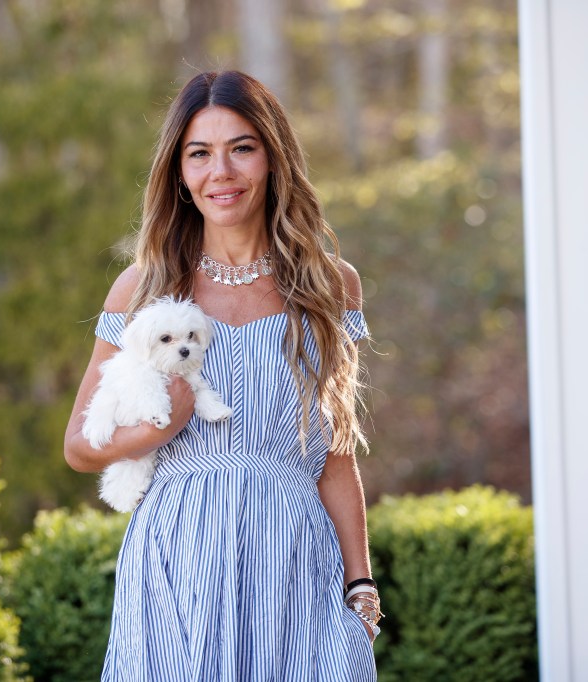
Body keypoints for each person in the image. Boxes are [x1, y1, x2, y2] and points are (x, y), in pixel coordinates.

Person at [64, 70, 380, 681]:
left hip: (292, 560)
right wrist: (160, 429)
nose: (221, 172)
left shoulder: (330, 286)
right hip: (176, 558)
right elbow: (79, 446)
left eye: (242, 148)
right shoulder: (144, 290)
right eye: (199, 154)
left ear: (272, 158)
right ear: (179, 174)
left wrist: (361, 585)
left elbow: (335, 453)